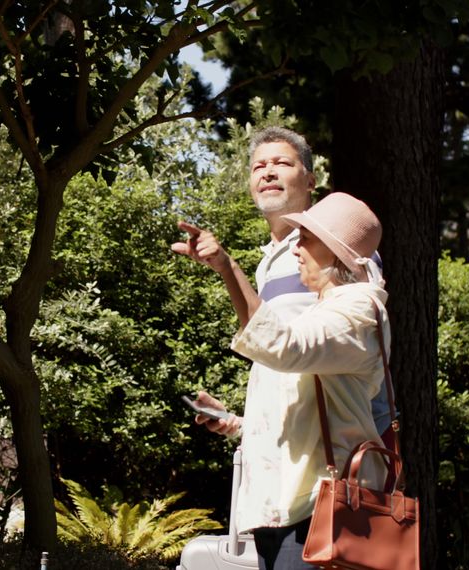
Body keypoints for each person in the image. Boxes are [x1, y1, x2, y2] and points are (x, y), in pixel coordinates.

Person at [170, 129, 392, 570]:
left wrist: (225, 267)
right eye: (257, 165)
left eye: (283, 163)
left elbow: (294, 350)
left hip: (324, 491)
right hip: (278, 493)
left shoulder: (350, 274)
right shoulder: (272, 260)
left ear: (311, 180)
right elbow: (297, 384)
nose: (267, 171)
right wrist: (237, 422)